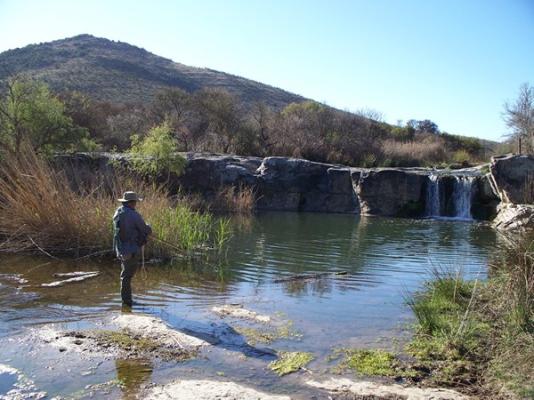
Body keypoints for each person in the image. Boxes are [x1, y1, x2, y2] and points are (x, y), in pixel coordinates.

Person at [112, 191, 152, 307]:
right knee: (126, 276)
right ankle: (127, 302)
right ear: (132, 202)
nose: (136, 204)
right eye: (135, 202)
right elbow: (145, 230)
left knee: (124, 275)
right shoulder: (134, 215)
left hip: (121, 250)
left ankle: (126, 301)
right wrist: (149, 227)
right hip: (131, 250)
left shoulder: (117, 212)